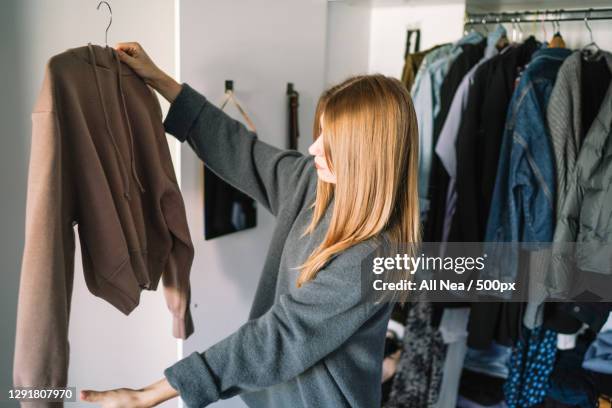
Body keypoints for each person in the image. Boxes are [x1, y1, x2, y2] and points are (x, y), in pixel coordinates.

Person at [80, 42, 420, 408]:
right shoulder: (314, 182)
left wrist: (149, 394)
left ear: (365, 157)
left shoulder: (375, 257)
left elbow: (280, 337)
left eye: (331, 142)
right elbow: (241, 152)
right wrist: (160, 81)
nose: (313, 148)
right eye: (319, 134)